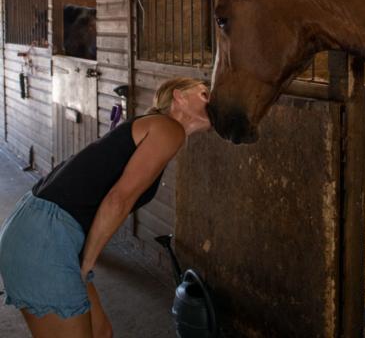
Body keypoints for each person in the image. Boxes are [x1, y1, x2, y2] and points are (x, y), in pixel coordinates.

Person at [0, 76, 211, 338]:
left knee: (102, 333)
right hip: (45, 236)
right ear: (180, 97)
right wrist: (87, 265)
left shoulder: (155, 128)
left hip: (41, 226)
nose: (211, 101)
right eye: (205, 94)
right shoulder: (168, 129)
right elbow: (118, 200)